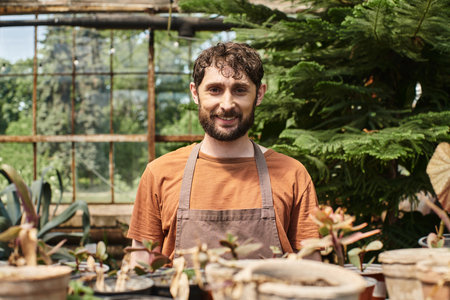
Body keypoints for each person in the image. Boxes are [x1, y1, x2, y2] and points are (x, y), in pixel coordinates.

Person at [127, 42, 320, 266]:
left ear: (259, 95)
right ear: (195, 93)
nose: (227, 104)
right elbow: (140, 265)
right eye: (214, 89)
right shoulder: (159, 173)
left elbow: (312, 269)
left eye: (240, 90)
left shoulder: (292, 174)